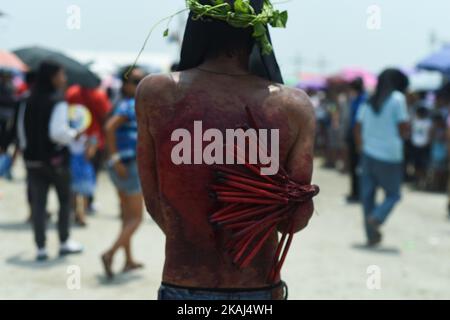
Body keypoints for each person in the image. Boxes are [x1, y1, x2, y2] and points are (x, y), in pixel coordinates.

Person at [135, 0, 316, 300]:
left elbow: (155, 201)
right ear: (258, 33)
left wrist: (193, 238)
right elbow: (293, 221)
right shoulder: (292, 107)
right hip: (258, 289)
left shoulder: (157, 94)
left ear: (197, 26)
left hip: (184, 282)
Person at [23, 60, 83, 261]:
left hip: (32, 160)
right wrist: (73, 133)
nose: (64, 79)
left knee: (39, 205)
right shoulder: (57, 100)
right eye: (62, 74)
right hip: (55, 161)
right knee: (64, 201)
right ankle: (64, 242)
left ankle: (40, 248)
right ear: (52, 77)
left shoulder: (26, 99)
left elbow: (20, 131)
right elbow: (57, 133)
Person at [355, 68, 410, 246]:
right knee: (393, 194)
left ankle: (371, 235)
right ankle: (377, 217)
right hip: (390, 155)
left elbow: (357, 126)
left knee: (367, 196)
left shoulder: (369, 100)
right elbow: (403, 128)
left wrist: (361, 147)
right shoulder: (397, 99)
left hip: (368, 153)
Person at [101, 66, 145, 279]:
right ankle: (110, 253)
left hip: (121, 165)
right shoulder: (129, 104)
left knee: (127, 217)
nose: (141, 83)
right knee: (137, 218)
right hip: (128, 165)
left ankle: (128, 259)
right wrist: (116, 158)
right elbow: (109, 128)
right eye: (137, 80)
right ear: (126, 84)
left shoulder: (119, 102)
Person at [66, 85, 112, 214]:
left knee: (72, 174)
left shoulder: (71, 92)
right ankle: (88, 203)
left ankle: (73, 205)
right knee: (91, 173)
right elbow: (106, 117)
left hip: (74, 137)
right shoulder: (99, 95)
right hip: (94, 140)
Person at [345, 78, 366, 203]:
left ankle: (358, 193)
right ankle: (355, 192)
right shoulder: (357, 99)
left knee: (358, 167)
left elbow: (358, 122)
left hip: (358, 138)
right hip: (354, 136)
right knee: (354, 167)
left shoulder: (363, 100)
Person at [410, 105, 432, 189]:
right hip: (416, 146)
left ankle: (422, 182)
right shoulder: (415, 121)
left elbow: (430, 135)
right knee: (417, 165)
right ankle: (418, 181)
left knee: (423, 166)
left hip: (423, 146)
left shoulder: (428, 122)